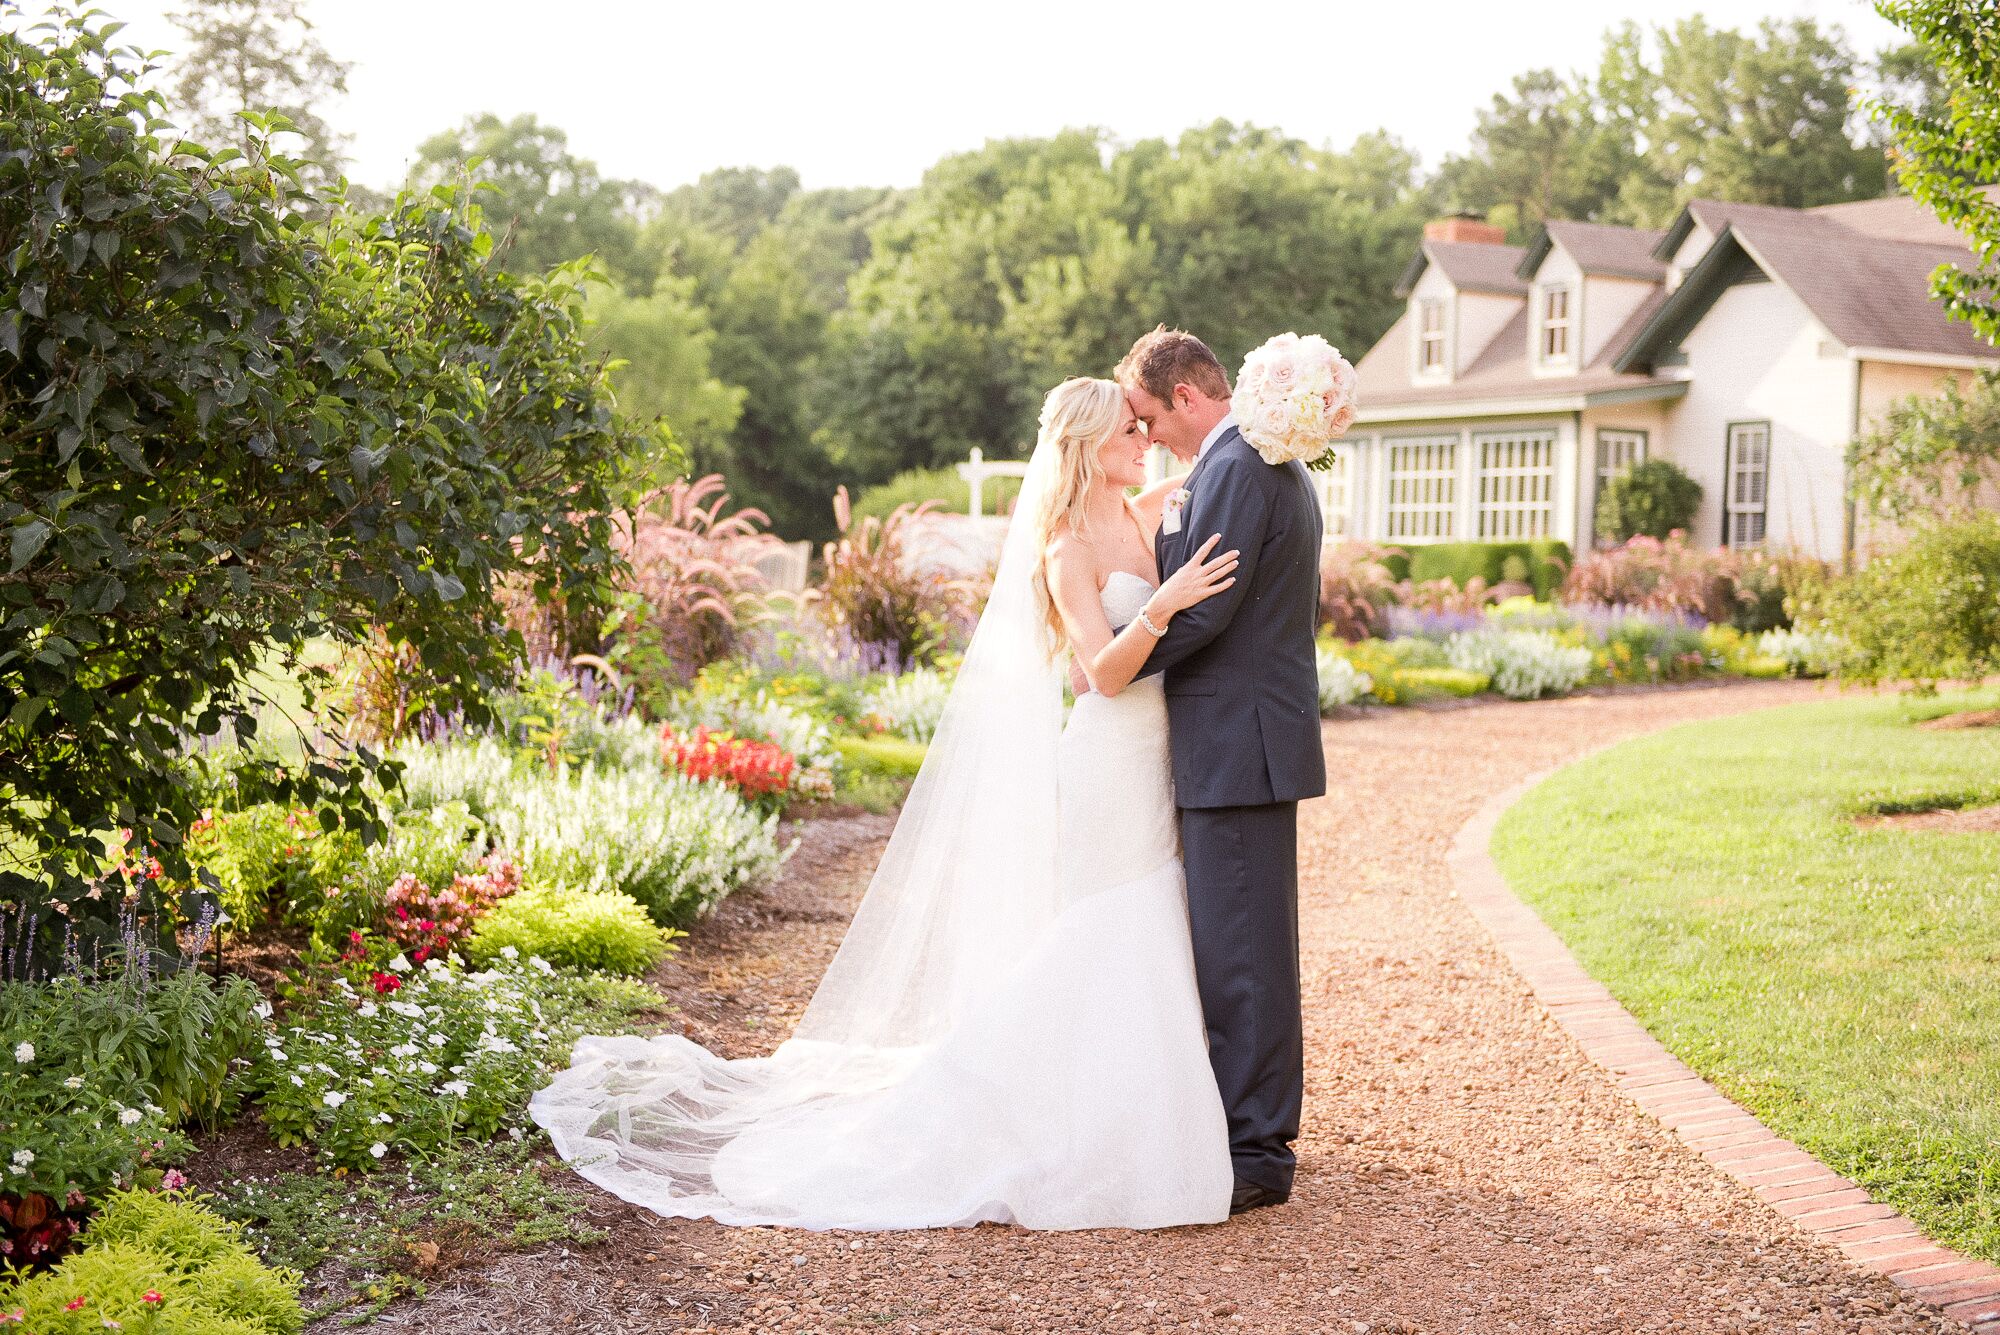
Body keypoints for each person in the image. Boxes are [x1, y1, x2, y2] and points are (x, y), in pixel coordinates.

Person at [530, 376, 1244, 1230]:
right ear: (1091, 445)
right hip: (1106, 759)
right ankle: (1048, 1112)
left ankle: (1133, 1107)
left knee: (1151, 922)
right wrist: (1162, 604)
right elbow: (1101, 670)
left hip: (1160, 756)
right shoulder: (1064, 548)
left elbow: (1230, 458)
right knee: (1107, 927)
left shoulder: (1147, 510)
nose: (1147, 441)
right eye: (1132, 430)